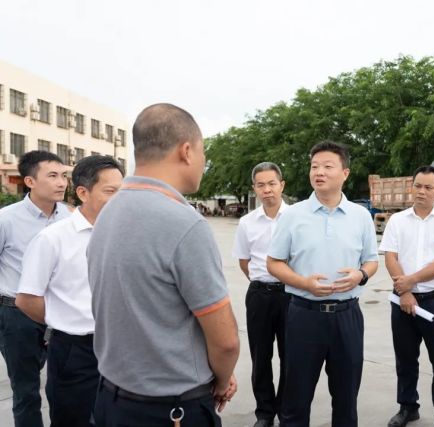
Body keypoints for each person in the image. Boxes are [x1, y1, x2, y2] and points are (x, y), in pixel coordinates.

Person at [87, 103, 241, 427]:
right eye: (203, 152)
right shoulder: (184, 224)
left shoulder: (107, 213)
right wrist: (222, 380)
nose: (203, 162)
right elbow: (225, 341)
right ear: (186, 151)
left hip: (111, 400)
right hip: (171, 410)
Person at [267, 141, 378, 427]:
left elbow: (371, 261)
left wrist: (360, 275)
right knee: (296, 398)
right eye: (314, 166)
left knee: (346, 398)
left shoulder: (360, 216)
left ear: (345, 173)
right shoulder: (293, 215)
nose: (319, 172)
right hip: (304, 316)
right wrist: (304, 283)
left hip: (347, 317)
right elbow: (274, 263)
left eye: (328, 166)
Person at [16, 155, 124, 427]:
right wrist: (64, 320)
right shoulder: (53, 238)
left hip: (119, 346)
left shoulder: (124, 234)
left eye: (123, 191)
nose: (120, 199)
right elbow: (27, 298)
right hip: (75, 350)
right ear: (83, 192)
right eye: (110, 191)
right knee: (74, 419)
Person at [379, 165, 434, 427]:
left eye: (428, 187)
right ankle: (408, 407)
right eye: (417, 185)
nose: (422, 191)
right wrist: (404, 291)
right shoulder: (397, 220)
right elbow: (390, 257)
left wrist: (411, 281)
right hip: (402, 302)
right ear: (411, 187)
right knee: (405, 360)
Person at [0, 150, 70, 427]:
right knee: (26, 391)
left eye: (63, 176)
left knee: (65, 386)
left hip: (60, 313)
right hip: (17, 315)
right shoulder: (6, 219)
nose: (61, 183)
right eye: (52, 176)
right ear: (29, 181)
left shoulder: (69, 217)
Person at [232, 162, 289, 427]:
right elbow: (245, 262)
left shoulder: (297, 218)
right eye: (261, 185)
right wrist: (261, 282)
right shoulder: (247, 222)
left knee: (292, 356)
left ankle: (287, 410)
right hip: (259, 296)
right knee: (260, 356)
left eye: (272, 184)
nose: (267, 190)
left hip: (291, 296)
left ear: (282, 185)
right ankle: (265, 413)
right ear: (254, 189)